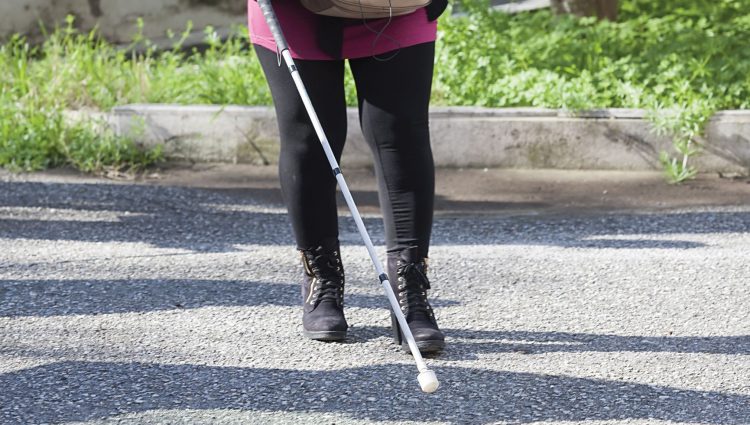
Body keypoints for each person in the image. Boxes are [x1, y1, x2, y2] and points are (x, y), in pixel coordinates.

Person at [247, 0, 448, 353]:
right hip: (294, 10)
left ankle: (409, 288)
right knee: (310, 138)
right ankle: (321, 277)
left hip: (396, 7)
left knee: (401, 137)